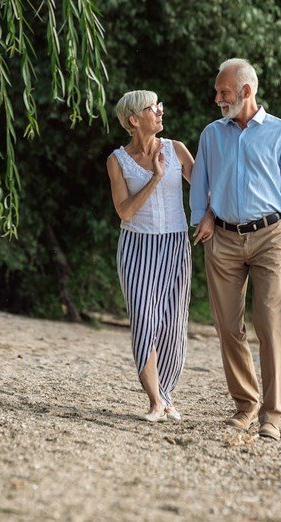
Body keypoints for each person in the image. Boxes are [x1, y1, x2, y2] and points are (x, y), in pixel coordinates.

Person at [190, 58, 281, 441]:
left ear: (246, 91)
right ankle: (245, 405)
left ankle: (272, 415)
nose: (217, 98)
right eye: (218, 91)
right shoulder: (211, 135)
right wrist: (202, 217)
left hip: (270, 238)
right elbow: (199, 184)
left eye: (224, 92)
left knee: (267, 323)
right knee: (228, 326)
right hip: (223, 240)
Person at [106, 90, 195, 423]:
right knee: (145, 322)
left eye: (160, 105)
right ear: (133, 119)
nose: (160, 111)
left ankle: (167, 396)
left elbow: (204, 188)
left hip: (175, 246)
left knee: (172, 325)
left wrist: (210, 218)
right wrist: (156, 177)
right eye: (152, 108)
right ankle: (155, 402)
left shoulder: (176, 149)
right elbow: (125, 212)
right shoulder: (117, 160)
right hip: (137, 247)